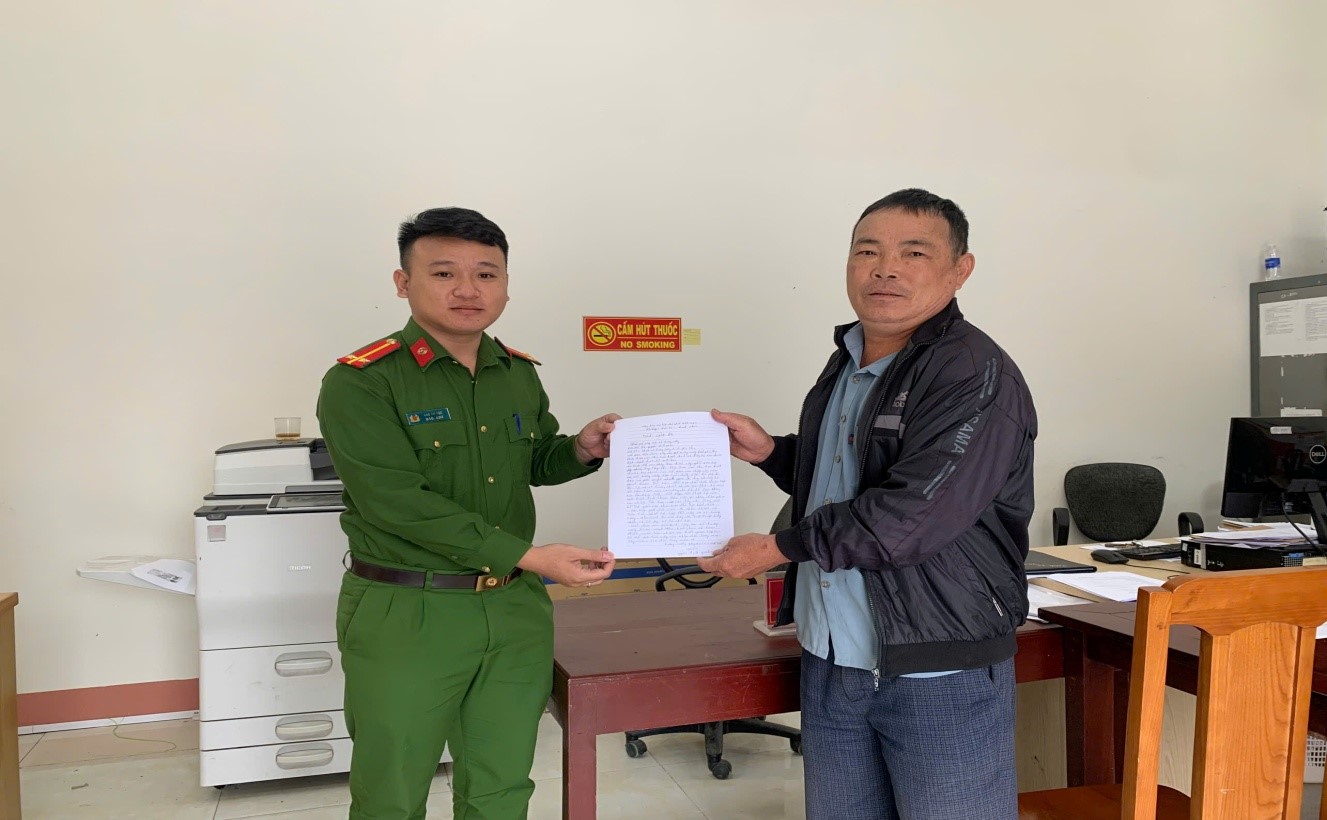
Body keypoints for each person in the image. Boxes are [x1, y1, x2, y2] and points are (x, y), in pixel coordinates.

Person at [700, 189, 1037, 820]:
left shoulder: (973, 372)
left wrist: (776, 548)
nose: (886, 269)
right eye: (867, 251)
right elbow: (849, 480)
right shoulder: (850, 359)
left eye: (914, 253)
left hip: (936, 668)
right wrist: (772, 452)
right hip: (833, 658)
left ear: (960, 270)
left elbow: (911, 516)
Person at [317, 207, 618, 820]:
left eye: (486, 274)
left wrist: (582, 450)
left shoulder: (517, 374)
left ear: (506, 285)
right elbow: (395, 502)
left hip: (512, 607)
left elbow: (534, 458)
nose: (467, 290)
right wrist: (531, 555)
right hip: (409, 610)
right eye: (444, 273)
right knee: (391, 792)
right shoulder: (363, 382)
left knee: (501, 786)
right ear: (403, 283)